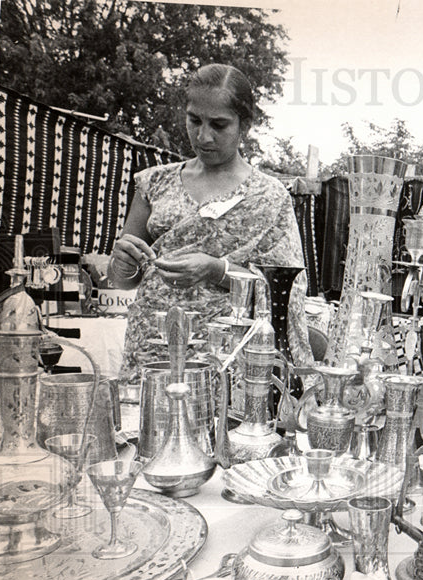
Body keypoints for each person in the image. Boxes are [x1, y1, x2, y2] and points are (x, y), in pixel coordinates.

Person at [110, 63, 311, 384]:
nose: (203, 136)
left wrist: (215, 269)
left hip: (226, 358)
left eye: (219, 125)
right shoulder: (154, 183)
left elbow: (285, 290)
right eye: (194, 121)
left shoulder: (269, 196)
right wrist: (122, 261)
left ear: (245, 125)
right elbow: (123, 281)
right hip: (152, 349)